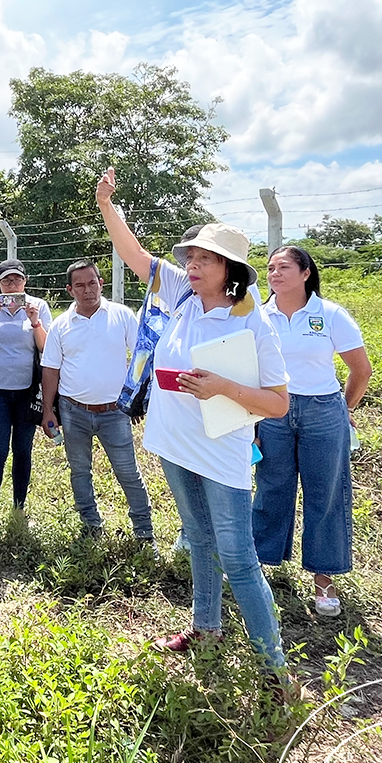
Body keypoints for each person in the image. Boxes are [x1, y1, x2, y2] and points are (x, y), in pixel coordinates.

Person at [97, 169, 292, 681]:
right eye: (191, 256)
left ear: (229, 269)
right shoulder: (181, 294)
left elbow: (276, 404)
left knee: (239, 557)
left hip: (222, 452)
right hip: (173, 443)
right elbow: (134, 255)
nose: (192, 263)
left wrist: (222, 388)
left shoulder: (253, 320)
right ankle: (206, 627)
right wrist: (106, 205)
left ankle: (275, 668)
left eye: (204, 258)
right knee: (198, 540)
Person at [252, 246, 371, 618]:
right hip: (274, 411)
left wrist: (344, 410)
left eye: (283, 267)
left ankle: (324, 580)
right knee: (272, 485)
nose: (274, 274)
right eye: (270, 268)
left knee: (326, 492)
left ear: (305, 273)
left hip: (323, 410)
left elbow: (360, 370)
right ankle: (260, 568)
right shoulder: (259, 316)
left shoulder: (331, 314)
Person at [39, 260, 154, 542]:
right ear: (70, 289)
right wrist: (47, 412)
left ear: (101, 283)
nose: (87, 290)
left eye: (92, 283)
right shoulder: (60, 326)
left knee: (128, 472)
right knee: (80, 471)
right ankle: (91, 525)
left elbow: (141, 356)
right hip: (73, 410)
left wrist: (136, 399)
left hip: (114, 411)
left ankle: (144, 533)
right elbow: (51, 369)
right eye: (80, 285)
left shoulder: (121, 316)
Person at [0, 258, 52, 525]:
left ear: (25, 282)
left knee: (23, 450)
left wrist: (35, 322)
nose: (11, 285)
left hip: (27, 390)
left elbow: (47, 349)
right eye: (6, 280)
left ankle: (18, 507)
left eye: (16, 280)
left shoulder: (38, 306)